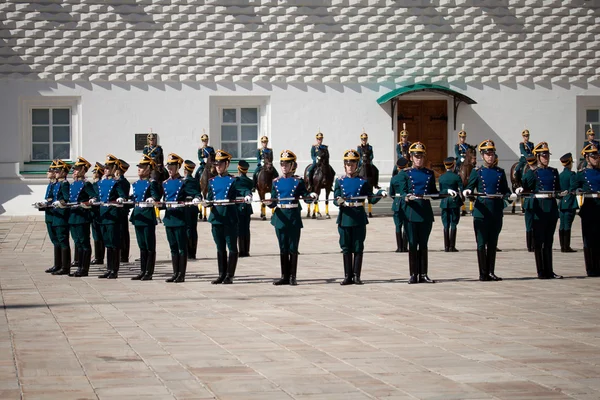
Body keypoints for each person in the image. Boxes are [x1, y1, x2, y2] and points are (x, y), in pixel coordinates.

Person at [463, 140, 515, 282]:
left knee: (492, 243)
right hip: (482, 211)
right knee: (481, 243)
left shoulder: (500, 172)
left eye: (492, 153)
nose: (490, 156)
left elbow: (505, 190)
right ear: (482, 155)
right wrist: (467, 191)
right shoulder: (477, 172)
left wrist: (510, 195)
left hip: (496, 210)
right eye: (487, 154)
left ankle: (491, 271)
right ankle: (483, 272)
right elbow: (470, 186)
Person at [334, 149, 386, 285]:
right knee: (346, 247)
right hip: (345, 216)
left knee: (358, 246)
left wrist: (380, 193)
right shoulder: (339, 181)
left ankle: (356, 275)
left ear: (357, 165)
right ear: (344, 165)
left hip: (358, 217)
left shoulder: (363, 181)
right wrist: (338, 200)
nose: (350, 166)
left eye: (352, 164)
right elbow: (335, 198)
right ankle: (347, 275)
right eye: (347, 164)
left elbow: (371, 199)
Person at [391, 143, 438, 284]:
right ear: (411, 157)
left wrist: (446, 192)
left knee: (423, 243)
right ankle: (413, 274)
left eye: (421, 156)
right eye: (416, 156)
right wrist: (407, 196)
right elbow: (403, 190)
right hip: (411, 211)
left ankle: (423, 273)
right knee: (412, 243)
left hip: (424, 211)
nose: (419, 159)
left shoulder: (429, 173)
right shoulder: (405, 173)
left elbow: (433, 192)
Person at [267, 150, 316, 285]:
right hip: (280, 218)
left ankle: (293, 276)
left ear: (292, 165)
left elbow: (305, 197)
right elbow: (274, 201)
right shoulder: (276, 182)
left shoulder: (298, 181)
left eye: (287, 164)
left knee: (293, 247)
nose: (283, 166)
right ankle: (284, 276)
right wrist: (269, 202)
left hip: (293, 216)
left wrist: (311, 196)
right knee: (283, 247)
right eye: (282, 163)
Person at [204, 150, 252, 284]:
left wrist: (248, 195)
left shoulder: (233, 180)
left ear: (227, 164)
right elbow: (209, 199)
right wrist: (205, 202)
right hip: (217, 217)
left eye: (220, 164)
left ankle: (229, 275)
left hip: (229, 217)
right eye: (216, 164)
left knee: (231, 247)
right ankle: (221, 274)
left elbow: (243, 190)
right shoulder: (212, 181)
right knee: (220, 247)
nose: (217, 167)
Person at [519, 142, 563, 279]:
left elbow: (558, 189)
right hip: (539, 209)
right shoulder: (533, 173)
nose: (546, 158)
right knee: (539, 241)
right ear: (537, 156)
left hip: (551, 209)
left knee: (549, 241)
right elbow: (525, 184)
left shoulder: (553, 172)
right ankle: (541, 270)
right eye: (543, 155)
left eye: (547, 155)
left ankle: (549, 270)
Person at [162, 153, 202, 283]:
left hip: (180, 219)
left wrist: (196, 198)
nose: (170, 168)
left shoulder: (183, 183)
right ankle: (175, 273)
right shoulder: (165, 183)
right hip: (169, 218)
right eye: (169, 166)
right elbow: (164, 200)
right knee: (173, 247)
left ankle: (181, 274)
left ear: (178, 166)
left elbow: (195, 193)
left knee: (181, 247)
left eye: (172, 166)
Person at [92, 154, 128, 279]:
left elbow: (123, 196)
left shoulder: (116, 182)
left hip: (113, 216)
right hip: (103, 215)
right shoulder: (101, 183)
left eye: (109, 167)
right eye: (106, 167)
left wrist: (120, 198)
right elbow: (97, 195)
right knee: (107, 243)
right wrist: (93, 199)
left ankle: (114, 270)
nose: (106, 169)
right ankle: (109, 269)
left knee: (114, 243)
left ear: (114, 169)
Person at [129, 154, 162, 280]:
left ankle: (149, 272)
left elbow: (156, 197)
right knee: (141, 245)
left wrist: (152, 198)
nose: (139, 169)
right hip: (138, 216)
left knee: (149, 246)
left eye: (142, 167)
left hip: (147, 216)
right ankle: (142, 270)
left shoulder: (151, 183)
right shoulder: (136, 184)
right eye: (139, 167)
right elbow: (133, 199)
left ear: (148, 169)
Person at [570, 143, 600, 277]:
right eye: (593, 156)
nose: (596, 158)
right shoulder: (582, 174)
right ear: (587, 158)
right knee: (589, 240)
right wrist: (578, 191)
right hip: (589, 209)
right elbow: (573, 188)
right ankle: (591, 268)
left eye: (597, 156)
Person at [68, 157, 97, 277]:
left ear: (83, 170)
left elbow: (94, 198)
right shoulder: (73, 184)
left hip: (82, 216)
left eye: (77, 169)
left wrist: (88, 203)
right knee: (77, 242)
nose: (74, 171)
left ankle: (84, 269)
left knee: (84, 242)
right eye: (74, 169)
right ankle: (79, 266)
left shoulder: (86, 184)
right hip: (73, 216)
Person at [49, 160, 72, 275]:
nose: (56, 172)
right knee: (58, 241)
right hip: (56, 216)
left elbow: (67, 199)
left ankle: (65, 267)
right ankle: (58, 264)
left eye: (58, 171)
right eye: (55, 170)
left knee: (63, 242)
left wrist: (60, 202)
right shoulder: (58, 184)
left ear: (64, 172)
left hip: (62, 217)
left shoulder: (65, 184)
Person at [38, 160, 60, 273]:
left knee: (57, 240)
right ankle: (57, 264)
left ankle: (59, 264)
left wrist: (47, 201)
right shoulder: (51, 184)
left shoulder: (57, 185)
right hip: (49, 215)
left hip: (54, 215)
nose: (48, 172)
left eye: (50, 170)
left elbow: (53, 199)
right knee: (54, 240)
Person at [439, 157, 464, 252]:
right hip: (454, 202)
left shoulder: (441, 177)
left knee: (445, 224)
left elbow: (441, 191)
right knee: (453, 223)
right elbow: (462, 189)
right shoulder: (456, 177)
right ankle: (452, 246)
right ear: (453, 165)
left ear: (445, 166)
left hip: (445, 202)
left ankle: (446, 246)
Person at [558, 153, 578, 253]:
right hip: (569, 203)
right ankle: (566, 246)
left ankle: (562, 246)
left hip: (562, 203)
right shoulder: (572, 174)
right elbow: (573, 188)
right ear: (570, 163)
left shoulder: (560, 175)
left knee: (562, 225)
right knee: (567, 225)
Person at [389, 158, 409, 253]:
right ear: (406, 166)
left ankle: (399, 247)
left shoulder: (394, 178)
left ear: (397, 166)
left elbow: (391, 193)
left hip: (397, 202)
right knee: (406, 225)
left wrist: (397, 199)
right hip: (406, 202)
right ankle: (405, 247)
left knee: (398, 225)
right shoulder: (408, 176)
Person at [183, 160, 200, 260]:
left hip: (186, 208)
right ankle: (193, 252)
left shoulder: (184, 182)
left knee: (188, 230)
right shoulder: (195, 181)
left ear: (185, 170)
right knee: (193, 229)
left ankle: (189, 252)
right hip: (194, 207)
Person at [236, 160, 254, 257]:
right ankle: (246, 250)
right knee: (246, 229)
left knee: (238, 229)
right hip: (247, 207)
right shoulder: (250, 182)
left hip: (238, 207)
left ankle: (241, 250)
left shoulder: (236, 181)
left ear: (238, 169)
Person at [115, 159, 132, 263]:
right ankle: (123, 254)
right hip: (121, 210)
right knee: (123, 232)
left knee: (122, 233)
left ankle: (123, 255)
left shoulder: (121, 182)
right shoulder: (121, 181)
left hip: (121, 210)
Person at [90, 162, 105, 265]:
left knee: (99, 235)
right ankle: (97, 256)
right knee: (96, 235)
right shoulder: (94, 184)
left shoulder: (99, 184)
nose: (93, 173)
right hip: (94, 212)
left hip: (99, 211)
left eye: (95, 171)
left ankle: (100, 257)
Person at [523, 155, 538, 252]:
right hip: (535, 201)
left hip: (528, 201)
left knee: (529, 225)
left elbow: (524, 185)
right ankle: (533, 244)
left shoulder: (527, 174)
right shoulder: (537, 173)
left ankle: (529, 245)